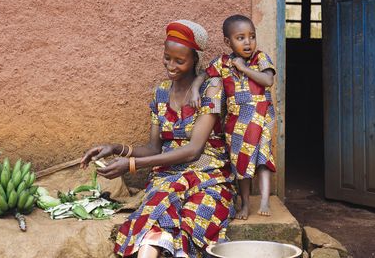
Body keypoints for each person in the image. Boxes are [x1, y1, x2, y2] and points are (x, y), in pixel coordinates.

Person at [80, 20, 235, 258]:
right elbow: (154, 147)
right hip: (167, 176)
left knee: (191, 222)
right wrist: (115, 149)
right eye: (167, 58)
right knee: (157, 216)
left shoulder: (211, 89)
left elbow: (194, 150)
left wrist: (131, 165)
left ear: (195, 60)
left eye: (179, 61)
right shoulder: (161, 91)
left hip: (208, 176)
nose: (170, 66)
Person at [189, 14, 276, 220]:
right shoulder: (222, 62)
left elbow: (268, 80)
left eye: (252, 36)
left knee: (263, 159)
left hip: (261, 118)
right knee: (241, 163)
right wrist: (194, 89)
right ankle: (245, 203)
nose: (248, 42)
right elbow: (203, 75)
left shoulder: (260, 58)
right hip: (236, 122)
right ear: (228, 41)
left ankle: (264, 200)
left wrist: (244, 68)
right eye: (241, 38)